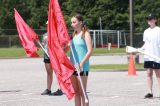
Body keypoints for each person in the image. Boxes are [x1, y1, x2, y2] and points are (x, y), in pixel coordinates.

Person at [70, 14, 92, 106]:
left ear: (80, 22)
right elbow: (66, 50)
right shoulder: (73, 35)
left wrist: (81, 64)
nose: (72, 24)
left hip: (82, 67)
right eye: (71, 22)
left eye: (74, 22)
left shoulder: (85, 34)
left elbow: (90, 51)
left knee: (82, 91)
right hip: (72, 66)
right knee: (76, 92)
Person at [41, 21, 63, 96]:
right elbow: (43, 45)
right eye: (47, 25)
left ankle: (61, 89)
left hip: (55, 56)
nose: (48, 26)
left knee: (58, 73)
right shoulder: (44, 35)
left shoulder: (57, 34)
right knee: (49, 73)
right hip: (47, 56)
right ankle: (48, 89)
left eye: (49, 24)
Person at [141, 13, 160, 98]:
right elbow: (145, 44)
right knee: (149, 73)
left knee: (158, 74)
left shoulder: (158, 30)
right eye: (148, 19)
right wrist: (139, 49)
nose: (149, 20)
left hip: (156, 56)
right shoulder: (146, 31)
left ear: (155, 20)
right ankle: (150, 92)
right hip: (147, 56)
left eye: (151, 19)